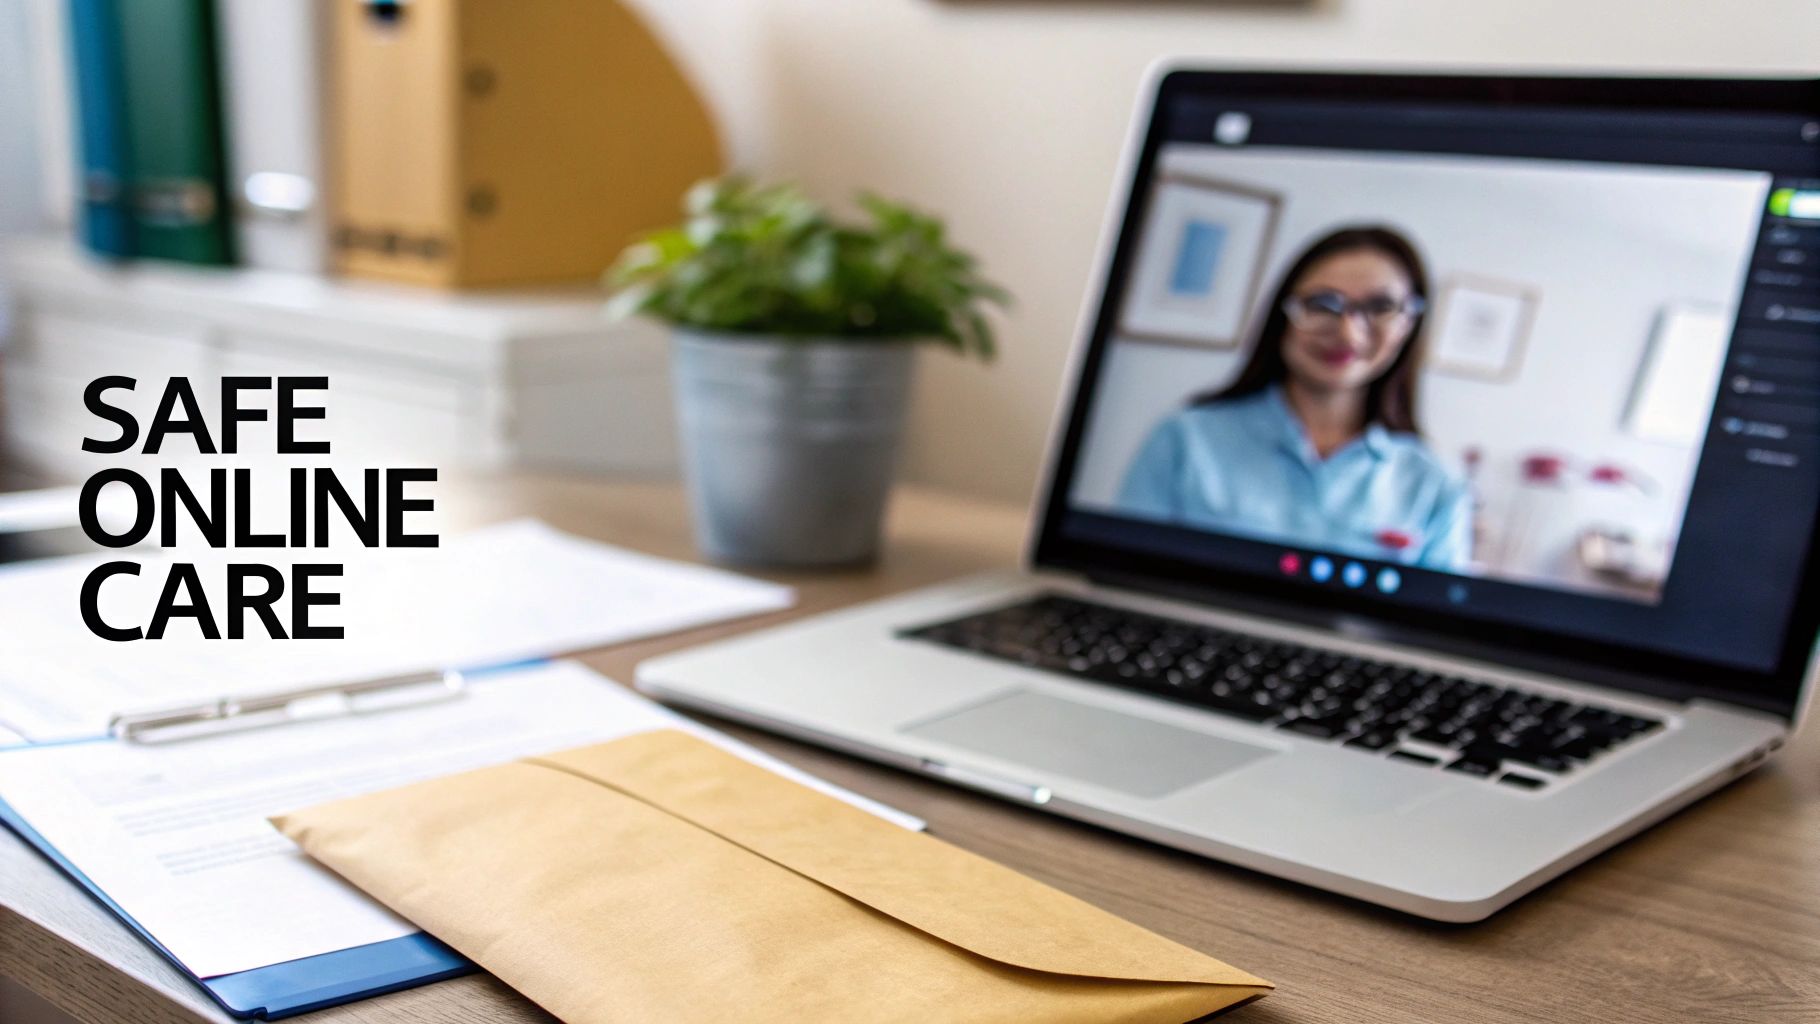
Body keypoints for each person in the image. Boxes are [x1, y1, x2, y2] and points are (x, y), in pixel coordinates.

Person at [1117, 226, 1471, 570]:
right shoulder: (1184, 438)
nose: (1348, 332)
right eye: (1322, 304)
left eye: (1380, 306)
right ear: (1282, 314)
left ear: (1408, 325)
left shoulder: (1438, 487)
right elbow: (1124, 575)